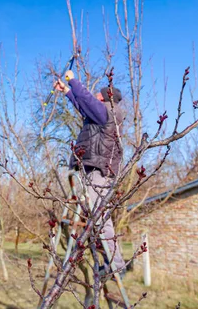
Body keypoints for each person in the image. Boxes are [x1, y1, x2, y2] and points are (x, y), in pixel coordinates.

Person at [54, 69, 126, 274]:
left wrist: (73, 80)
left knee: (101, 218)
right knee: (96, 218)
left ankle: (116, 265)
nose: (95, 95)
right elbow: (83, 106)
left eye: (98, 94)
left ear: (104, 96)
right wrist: (67, 91)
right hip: (94, 169)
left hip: (99, 171)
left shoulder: (108, 112)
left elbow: (86, 99)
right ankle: (110, 262)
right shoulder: (101, 114)